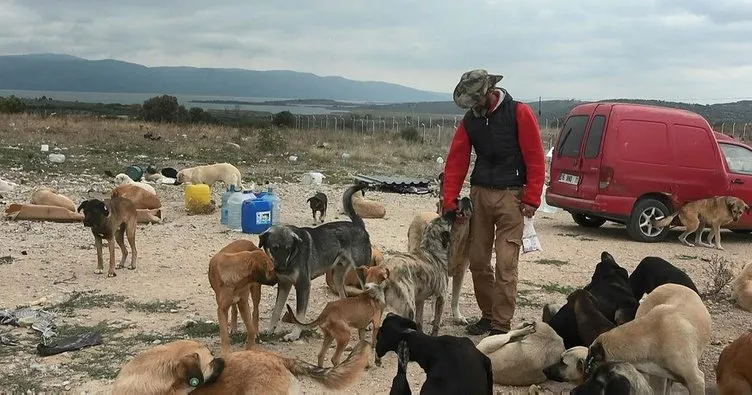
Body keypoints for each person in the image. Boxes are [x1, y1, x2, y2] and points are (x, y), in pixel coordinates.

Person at [442, 69, 546, 336]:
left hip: (513, 196)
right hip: (479, 195)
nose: (473, 105)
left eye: (476, 99)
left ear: (489, 92)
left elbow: (535, 157)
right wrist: (449, 200)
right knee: (477, 260)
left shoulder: (518, 113)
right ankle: (488, 316)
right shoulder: (470, 120)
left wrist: (533, 197)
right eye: (469, 102)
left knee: (505, 263)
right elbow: (457, 160)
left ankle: (501, 325)